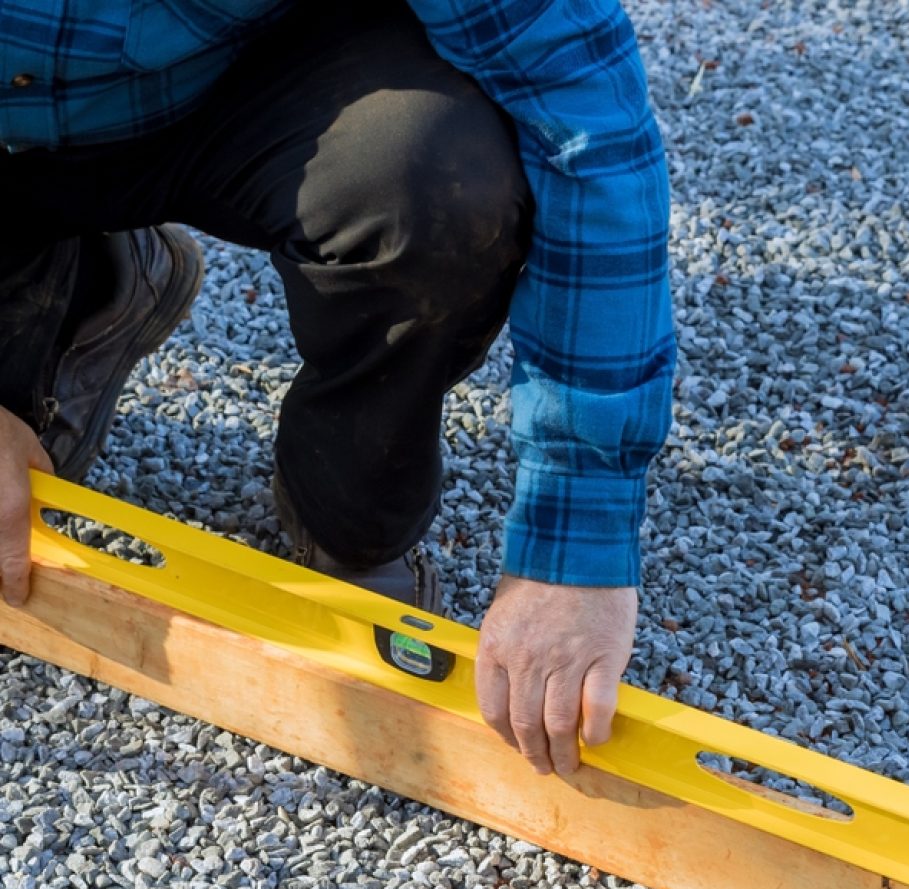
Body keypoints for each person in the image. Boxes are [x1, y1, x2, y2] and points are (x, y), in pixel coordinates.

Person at [0, 1, 675, 777]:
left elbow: (585, 127)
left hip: (225, 82)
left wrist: (573, 549)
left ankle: (345, 514)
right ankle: (85, 287)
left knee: (435, 178)